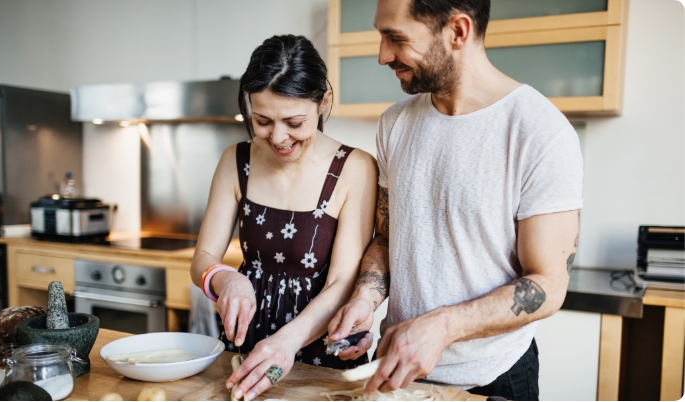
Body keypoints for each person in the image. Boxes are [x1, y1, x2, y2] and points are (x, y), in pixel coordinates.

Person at [327, 0, 583, 400]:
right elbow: (389, 237)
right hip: (399, 370)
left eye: (396, 38)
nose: (382, 55)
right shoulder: (395, 123)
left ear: (458, 32)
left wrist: (441, 327)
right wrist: (366, 296)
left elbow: (548, 284)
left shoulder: (539, 131)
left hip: (493, 379)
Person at [190, 34, 377, 400]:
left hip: (322, 353)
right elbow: (203, 259)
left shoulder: (355, 167)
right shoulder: (235, 160)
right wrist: (227, 281)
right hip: (245, 352)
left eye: (294, 122)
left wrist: (286, 343)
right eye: (262, 120)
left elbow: (342, 281)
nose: (278, 138)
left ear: (323, 102)